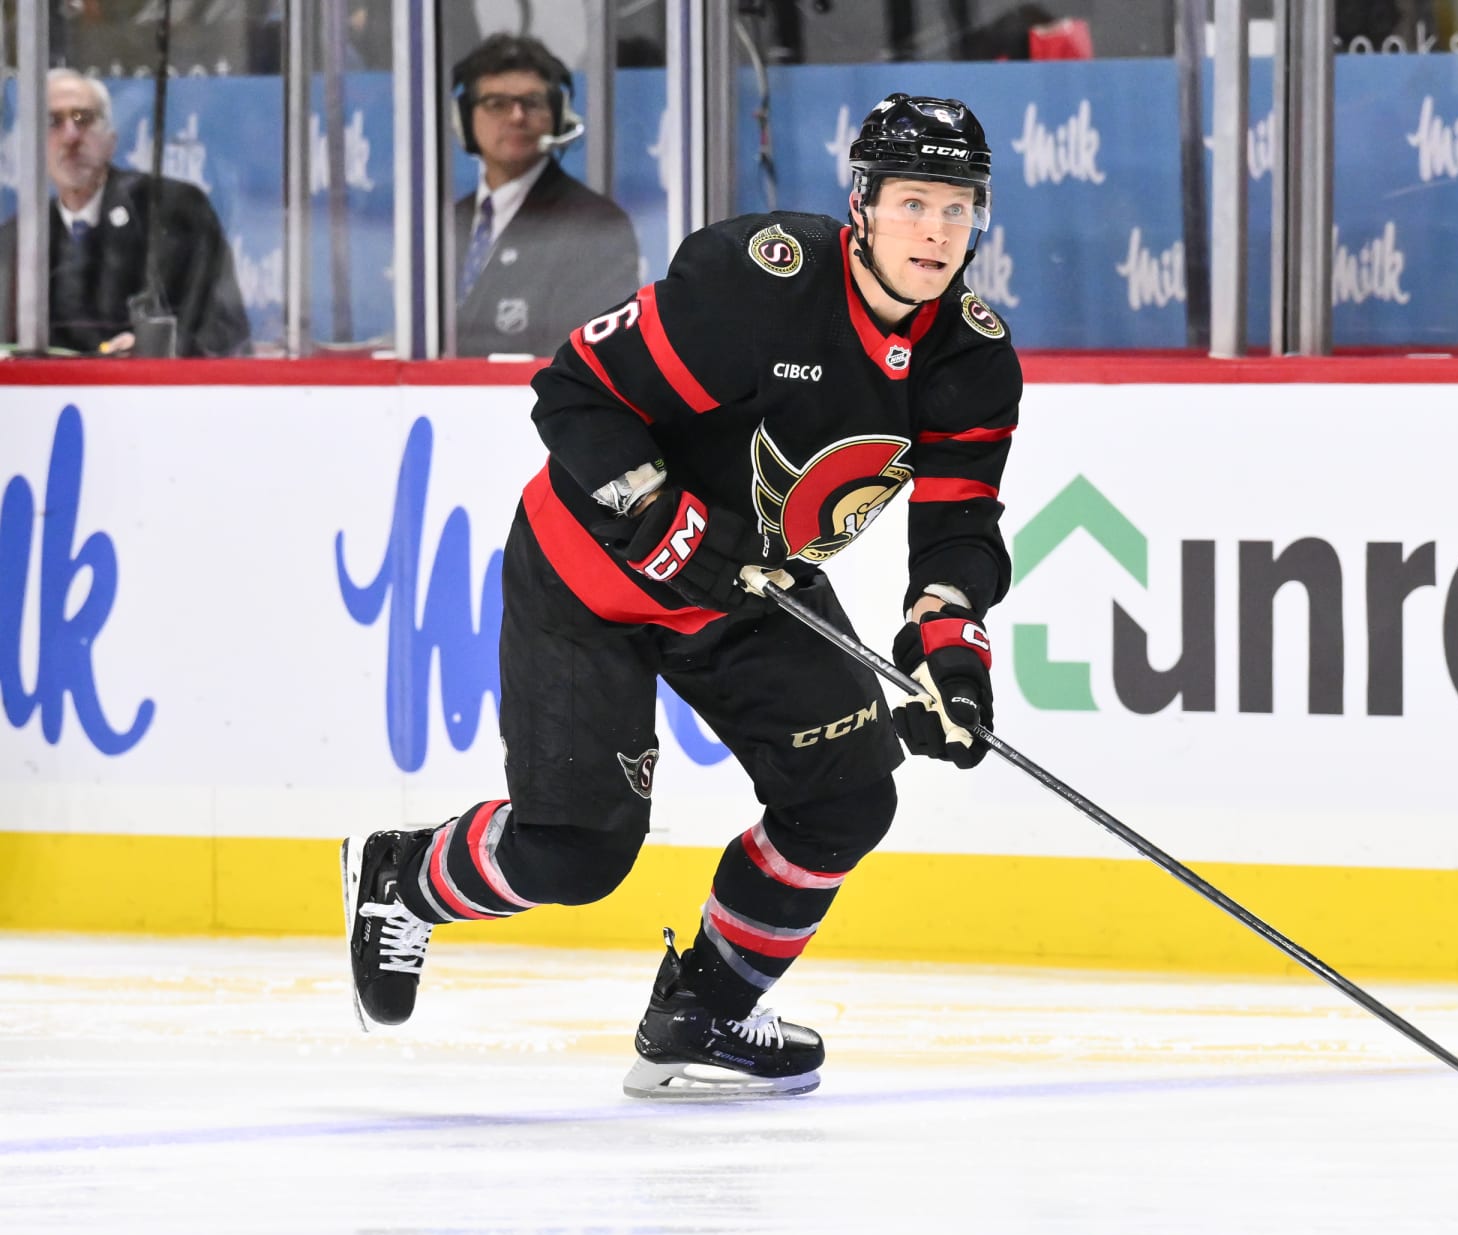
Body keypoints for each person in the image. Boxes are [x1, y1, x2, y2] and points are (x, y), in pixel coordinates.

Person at [343, 92, 1020, 1100]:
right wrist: (661, 518)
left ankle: (703, 1009)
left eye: (957, 209)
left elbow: (958, 529)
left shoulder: (969, 355)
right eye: (914, 202)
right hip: (590, 575)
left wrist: (948, 649)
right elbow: (573, 391)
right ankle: (403, 875)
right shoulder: (759, 285)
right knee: (575, 853)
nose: (935, 231)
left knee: (845, 795)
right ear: (862, 206)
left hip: (749, 590)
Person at [0, 69, 250, 357]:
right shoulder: (15, 240)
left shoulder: (175, 215)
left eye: (83, 118)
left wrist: (154, 349)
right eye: (52, 122)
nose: (70, 136)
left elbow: (225, 333)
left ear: (111, 140)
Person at [450, 34, 639, 356]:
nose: (517, 117)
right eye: (496, 104)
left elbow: (595, 358)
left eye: (532, 102)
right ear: (465, 119)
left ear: (557, 114)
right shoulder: (448, 221)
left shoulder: (595, 224)